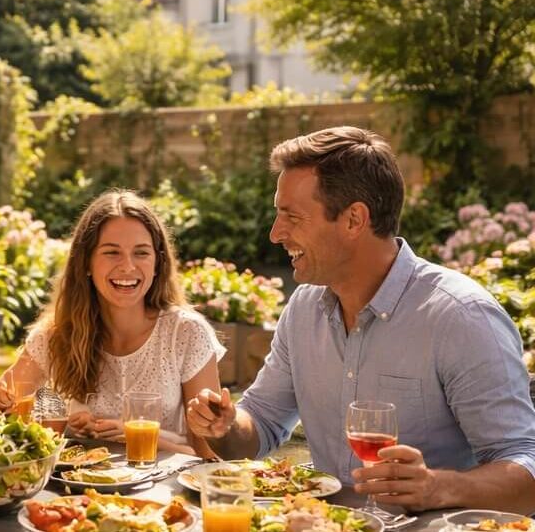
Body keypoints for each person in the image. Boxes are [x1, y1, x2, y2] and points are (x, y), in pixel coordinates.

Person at [186, 126, 535, 513]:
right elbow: (262, 423)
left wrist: (438, 487)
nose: (275, 234)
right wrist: (226, 426)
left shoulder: (460, 317)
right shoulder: (304, 310)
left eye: (292, 217)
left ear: (354, 219)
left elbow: (525, 467)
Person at [0, 189, 225, 457]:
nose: (128, 266)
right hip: (74, 482)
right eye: (112, 252)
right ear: (86, 263)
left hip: (168, 481)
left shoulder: (187, 333)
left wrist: (138, 435)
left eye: (141, 253)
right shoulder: (56, 335)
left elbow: (209, 454)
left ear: (158, 263)